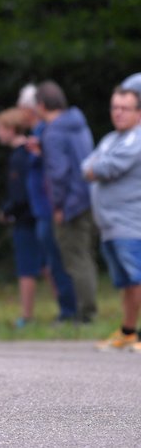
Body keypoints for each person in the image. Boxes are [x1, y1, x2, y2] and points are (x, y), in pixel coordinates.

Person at [83, 87, 141, 351]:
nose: (118, 113)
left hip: (132, 225)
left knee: (137, 279)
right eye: (114, 107)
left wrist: (96, 167)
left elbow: (105, 168)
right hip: (111, 226)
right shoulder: (111, 139)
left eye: (125, 108)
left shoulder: (136, 140)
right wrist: (95, 168)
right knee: (128, 282)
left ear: (138, 112)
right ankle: (129, 332)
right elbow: (88, 166)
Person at [35, 80, 98, 323]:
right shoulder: (77, 123)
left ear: (42, 105)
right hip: (87, 196)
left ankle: (85, 314)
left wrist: (59, 206)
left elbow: (59, 173)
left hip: (70, 203)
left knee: (76, 259)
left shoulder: (54, 130)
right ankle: (87, 310)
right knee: (85, 255)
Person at [19, 83, 78, 321]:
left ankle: (70, 311)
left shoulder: (48, 130)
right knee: (52, 260)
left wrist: (58, 204)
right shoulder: (42, 131)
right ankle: (67, 309)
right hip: (42, 205)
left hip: (48, 205)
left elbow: (57, 169)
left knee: (57, 259)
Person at [0, 107, 43, 327]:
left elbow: (20, 192)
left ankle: (27, 315)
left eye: (0, 129)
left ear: (12, 130)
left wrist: (7, 211)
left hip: (25, 218)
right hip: (33, 216)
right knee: (45, 264)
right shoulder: (27, 152)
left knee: (26, 268)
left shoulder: (20, 156)